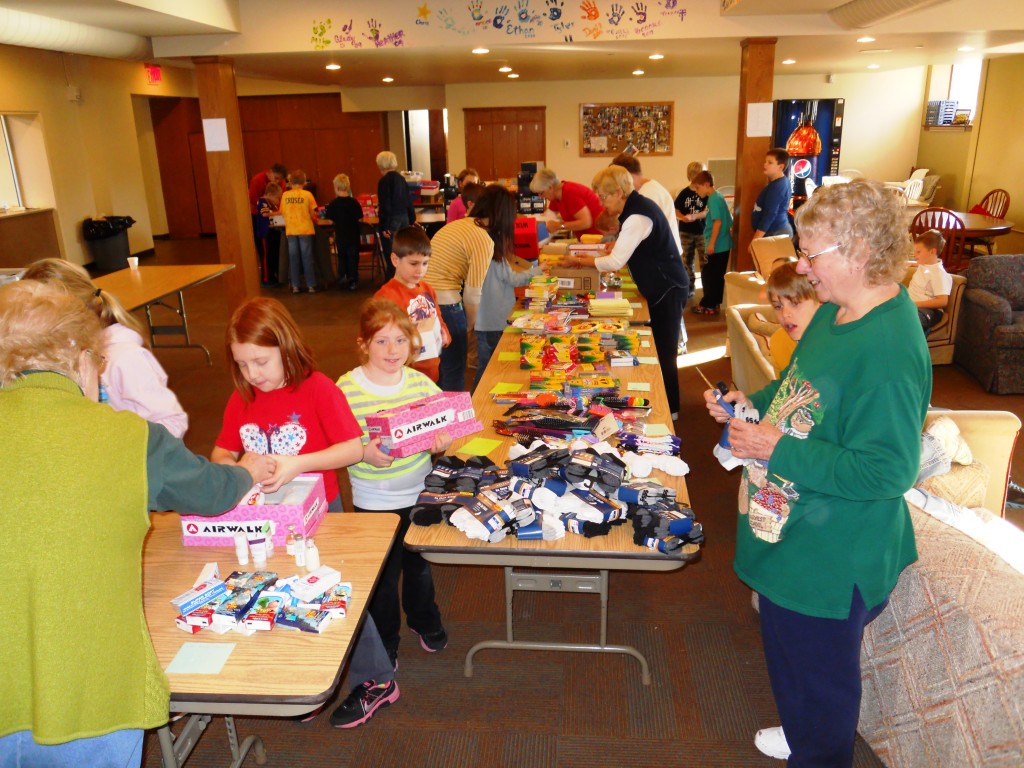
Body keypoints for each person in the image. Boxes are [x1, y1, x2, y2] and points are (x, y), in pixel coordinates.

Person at [0, 279, 275, 767]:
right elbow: (211, 493)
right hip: (89, 698)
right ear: (79, 356)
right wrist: (248, 470)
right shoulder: (128, 437)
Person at [704, 178, 931, 767]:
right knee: (790, 665)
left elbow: (887, 471)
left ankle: (818, 752)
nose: (802, 265)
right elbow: (799, 390)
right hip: (797, 534)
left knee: (822, 691)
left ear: (858, 251)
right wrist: (750, 404)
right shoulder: (835, 311)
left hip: (834, 556)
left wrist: (776, 449)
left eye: (812, 253)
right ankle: (803, 734)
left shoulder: (889, 347)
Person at [211, 296, 400, 729]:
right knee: (283, 592)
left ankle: (376, 679)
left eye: (260, 362)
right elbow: (221, 450)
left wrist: (297, 463)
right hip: (264, 518)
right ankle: (310, 677)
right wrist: (235, 467)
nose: (252, 374)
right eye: (242, 365)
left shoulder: (317, 388)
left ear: (286, 346)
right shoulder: (243, 396)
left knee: (334, 590)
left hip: (319, 513)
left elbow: (353, 448)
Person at [336, 299, 452, 669]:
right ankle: (386, 639)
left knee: (418, 566)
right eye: (382, 341)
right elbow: (336, 444)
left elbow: (445, 422)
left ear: (413, 343)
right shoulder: (346, 388)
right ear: (363, 343)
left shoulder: (420, 383)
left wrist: (442, 441)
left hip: (417, 491)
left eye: (401, 341)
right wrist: (362, 452)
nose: (392, 350)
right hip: (372, 499)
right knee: (382, 579)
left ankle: (423, 619)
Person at [561, 165, 689, 418]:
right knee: (661, 348)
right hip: (662, 287)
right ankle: (667, 405)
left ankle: (671, 410)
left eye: (604, 197)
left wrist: (579, 262)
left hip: (668, 288)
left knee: (664, 350)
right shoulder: (634, 209)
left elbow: (614, 262)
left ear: (619, 192)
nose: (601, 202)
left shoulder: (637, 215)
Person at [20, 257, 189, 438]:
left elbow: (173, 423)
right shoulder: (67, 354)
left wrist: (122, 444)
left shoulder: (125, 358)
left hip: (132, 459)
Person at [424, 185, 515, 392]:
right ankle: (453, 424)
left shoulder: (458, 225)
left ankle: (435, 420)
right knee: (454, 373)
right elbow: (473, 294)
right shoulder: (482, 238)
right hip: (445, 305)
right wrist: (469, 325)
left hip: (421, 302)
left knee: (433, 372)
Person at [474, 187, 542, 389]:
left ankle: (473, 406)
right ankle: (473, 408)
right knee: (490, 369)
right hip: (494, 319)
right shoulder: (491, 243)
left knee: (486, 366)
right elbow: (512, 278)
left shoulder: (479, 237)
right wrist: (539, 271)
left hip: (484, 319)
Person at [375, 226, 450, 383]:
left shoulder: (427, 288)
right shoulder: (385, 298)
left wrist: (443, 332)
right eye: (414, 263)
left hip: (433, 369)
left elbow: (437, 317)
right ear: (395, 260)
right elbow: (377, 341)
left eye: (425, 263)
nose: (420, 270)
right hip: (405, 376)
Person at [765, 260, 820, 375]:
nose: (785, 314)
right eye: (778, 306)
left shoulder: (837, 340)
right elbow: (783, 389)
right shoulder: (779, 342)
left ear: (820, 301)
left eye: (795, 303)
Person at [690, 170, 733, 316]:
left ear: (706, 184)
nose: (697, 191)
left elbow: (717, 221)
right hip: (724, 245)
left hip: (717, 246)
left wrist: (711, 244)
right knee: (716, 276)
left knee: (709, 276)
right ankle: (714, 304)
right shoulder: (718, 196)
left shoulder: (713, 199)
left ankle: (706, 304)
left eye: (698, 188)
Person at [376, 151, 416, 280]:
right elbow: (408, 200)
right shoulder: (401, 179)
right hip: (404, 218)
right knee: (403, 251)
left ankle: (392, 281)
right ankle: (404, 278)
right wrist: (412, 219)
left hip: (391, 220)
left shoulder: (384, 181)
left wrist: (384, 226)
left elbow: (385, 204)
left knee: (391, 253)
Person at [529, 168, 605, 237]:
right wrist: (532, 222)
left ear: (550, 188)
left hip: (598, 237)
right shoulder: (556, 196)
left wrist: (559, 226)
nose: (540, 197)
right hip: (587, 238)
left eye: (541, 193)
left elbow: (586, 222)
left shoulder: (570, 193)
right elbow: (548, 217)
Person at [323, 173, 364, 292]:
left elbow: (330, 221)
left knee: (342, 256)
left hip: (341, 236)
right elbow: (360, 219)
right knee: (353, 257)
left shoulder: (333, 204)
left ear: (336, 188)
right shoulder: (354, 202)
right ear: (348, 187)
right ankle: (353, 280)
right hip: (353, 236)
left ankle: (343, 275)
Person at [281, 169, 319, 294]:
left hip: (291, 230)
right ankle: (311, 285)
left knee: (293, 258)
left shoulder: (285, 195)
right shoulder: (307, 194)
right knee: (307, 257)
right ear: (304, 182)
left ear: (290, 182)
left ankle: (295, 285)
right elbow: (314, 212)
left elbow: (282, 212)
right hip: (305, 229)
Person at [908, 229, 952, 334]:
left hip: (929, 310)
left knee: (914, 322)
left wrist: (916, 304)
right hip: (913, 306)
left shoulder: (938, 274)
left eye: (918, 252)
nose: (915, 255)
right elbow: (916, 264)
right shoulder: (925, 263)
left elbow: (943, 301)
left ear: (932, 252)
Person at [674, 161, 708, 297]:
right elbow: (676, 210)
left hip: (702, 232)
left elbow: (708, 211)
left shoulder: (706, 194)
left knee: (705, 260)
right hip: (686, 232)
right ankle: (690, 287)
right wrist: (683, 217)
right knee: (687, 260)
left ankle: (707, 288)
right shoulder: (684, 193)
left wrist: (694, 216)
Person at [751, 148, 793, 240]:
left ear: (780, 167)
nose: (765, 164)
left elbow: (770, 214)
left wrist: (756, 239)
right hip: (773, 233)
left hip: (776, 233)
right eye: (765, 161)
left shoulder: (778, 186)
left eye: (770, 162)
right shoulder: (776, 183)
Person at [254, 181, 283, 286]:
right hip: (264, 234)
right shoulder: (263, 202)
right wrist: (279, 213)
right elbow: (265, 214)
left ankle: (272, 277)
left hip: (271, 233)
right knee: (266, 257)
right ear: (269, 195)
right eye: (276, 198)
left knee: (271, 256)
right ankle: (266, 279)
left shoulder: (270, 204)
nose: (277, 201)